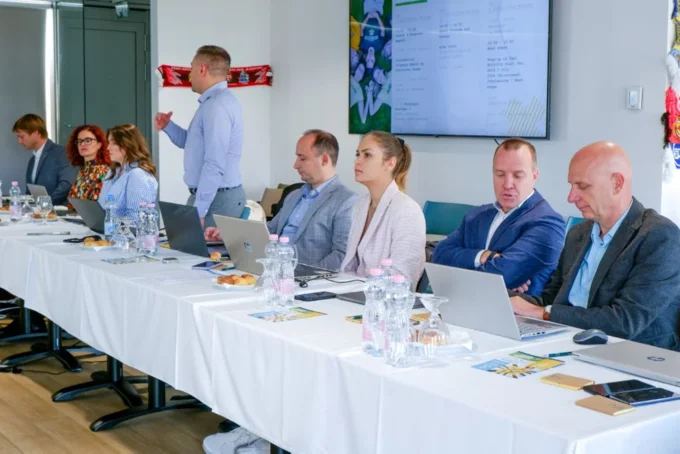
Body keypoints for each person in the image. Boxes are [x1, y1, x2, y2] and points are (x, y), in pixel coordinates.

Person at [511, 141, 680, 350]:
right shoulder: (578, 234)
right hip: (567, 343)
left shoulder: (660, 237)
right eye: (571, 186)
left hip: (632, 355)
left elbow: (624, 322)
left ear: (617, 183)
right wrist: (506, 298)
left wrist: (542, 313)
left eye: (582, 186)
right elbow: (552, 299)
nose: (571, 197)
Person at [206, 130, 358, 271]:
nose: (295, 165)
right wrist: (229, 234)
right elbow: (269, 231)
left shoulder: (346, 201)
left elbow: (341, 256)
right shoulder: (294, 195)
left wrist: (301, 276)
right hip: (270, 270)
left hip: (303, 279)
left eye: (302, 158)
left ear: (324, 159)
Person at [432, 138, 565, 296]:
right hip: (460, 304)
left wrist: (456, 272)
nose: (507, 184)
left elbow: (503, 275)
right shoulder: (476, 216)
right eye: (500, 174)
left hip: (514, 310)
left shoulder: (547, 222)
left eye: (518, 175)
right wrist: (485, 256)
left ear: (534, 176)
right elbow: (439, 255)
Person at [155, 45, 245, 227]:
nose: (190, 74)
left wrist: (200, 209)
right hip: (211, 195)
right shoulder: (212, 103)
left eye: (192, 68)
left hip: (217, 199)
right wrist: (168, 126)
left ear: (202, 69)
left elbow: (215, 162)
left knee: (196, 246)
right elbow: (192, 143)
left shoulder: (217, 105)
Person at [340, 131, 426, 284]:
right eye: (358, 154)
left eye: (367, 155)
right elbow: (350, 267)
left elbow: (404, 276)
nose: (357, 161)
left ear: (390, 163)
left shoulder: (407, 210)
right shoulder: (360, 205)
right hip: (353, 291)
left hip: (384, 296)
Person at [12, 113, 75, 205]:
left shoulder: (61, 153)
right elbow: (30, 192)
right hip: (38, 212)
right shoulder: (32, 160)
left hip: (58, 211)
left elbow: (66, 185)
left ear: (36, 133)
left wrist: (46, 204)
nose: (19, 141)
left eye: (22, 137)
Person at [98, 124, 158, 217]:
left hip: (123, 227)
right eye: (108, 142)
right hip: (105, 225)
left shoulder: (138, 174)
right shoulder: (113, 172)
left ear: (128, 144)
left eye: (114, 143)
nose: (108, 148)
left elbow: (136, 218)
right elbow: (102, 207)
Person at [65, 125, 111, 203]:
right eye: (79, 141)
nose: (83, 144)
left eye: (88, 140)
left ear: (99, 144)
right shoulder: (82, 171)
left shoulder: (104, 171)